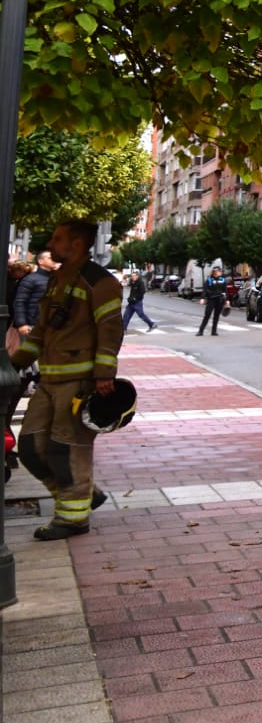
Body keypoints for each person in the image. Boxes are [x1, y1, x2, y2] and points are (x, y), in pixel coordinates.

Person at [8, 220, 122, 539]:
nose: (51, 242)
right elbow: (43, 332)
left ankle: (73, 519)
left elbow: (110, 332)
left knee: (65, 449)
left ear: (75, 244)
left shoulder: (100, 283)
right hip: (50, 380)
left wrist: (103, 375)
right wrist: (12, 364)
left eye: (58, 238)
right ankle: (85, 497)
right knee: (30, 447)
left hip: (80, 383)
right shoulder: (58, 279)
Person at [12, 251, 53, 334]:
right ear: (41, 261)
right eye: (50, 258)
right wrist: (22, 323)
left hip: (49, 325)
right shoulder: (30, 279)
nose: (54, 259)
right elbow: (20, 301)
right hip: (32, 325)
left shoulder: (56, 279)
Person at [120, 267, 159, 333]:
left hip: (137, 302)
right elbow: (127, 284)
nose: (132, 277)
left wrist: (135, 298)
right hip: (131, 302)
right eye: (132, 276)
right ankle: (123, 329)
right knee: (126, 315)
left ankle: (152, 324)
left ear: (137, 276)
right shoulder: (133, 282)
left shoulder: (140, 283)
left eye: (134, 276)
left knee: (141, 315)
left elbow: (142, 292)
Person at [198, 266, 228, 337]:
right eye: (217, 271)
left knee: (216, 316)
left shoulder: (223, 280)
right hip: (211, 299)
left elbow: (225, 291)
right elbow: (205, 290)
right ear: (214, 272)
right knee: (207, 315)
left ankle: (214, 331)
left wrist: (227, 300)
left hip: (220, 299)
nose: (219, 273)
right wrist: (203, 298)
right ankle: (201, 331)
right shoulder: (209, 280)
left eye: (219, 271)